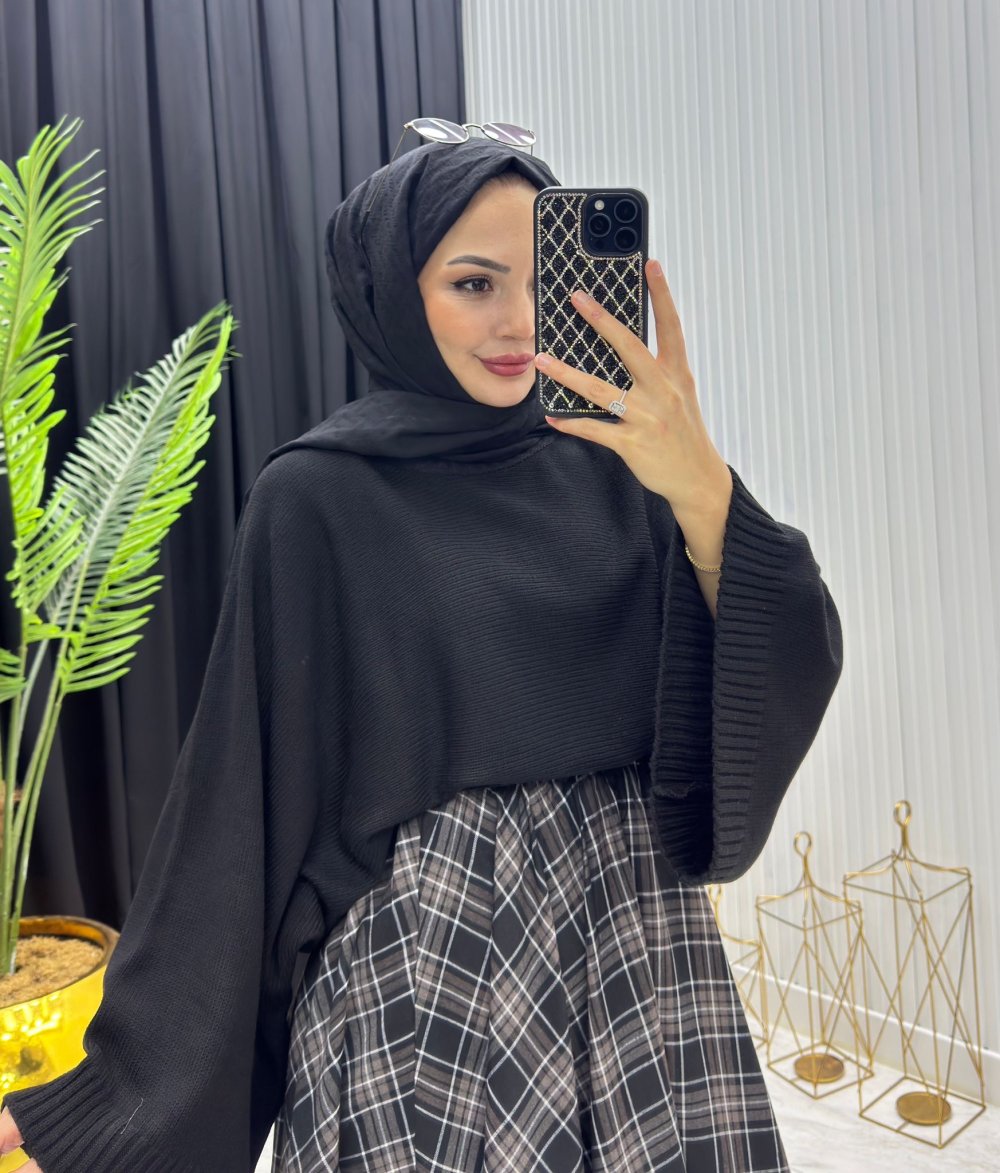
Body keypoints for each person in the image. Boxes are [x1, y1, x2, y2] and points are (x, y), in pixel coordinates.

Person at [0, 133, 842, 1172]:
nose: (519, 322)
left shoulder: (628, 466)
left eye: (540, 281)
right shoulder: (318, 497)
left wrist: (703, 484)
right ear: (395, 293)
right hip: (428, 961)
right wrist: (115, 1099)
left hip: (638, 943)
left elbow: (786, 648)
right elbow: (239, 804)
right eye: (473, 283)